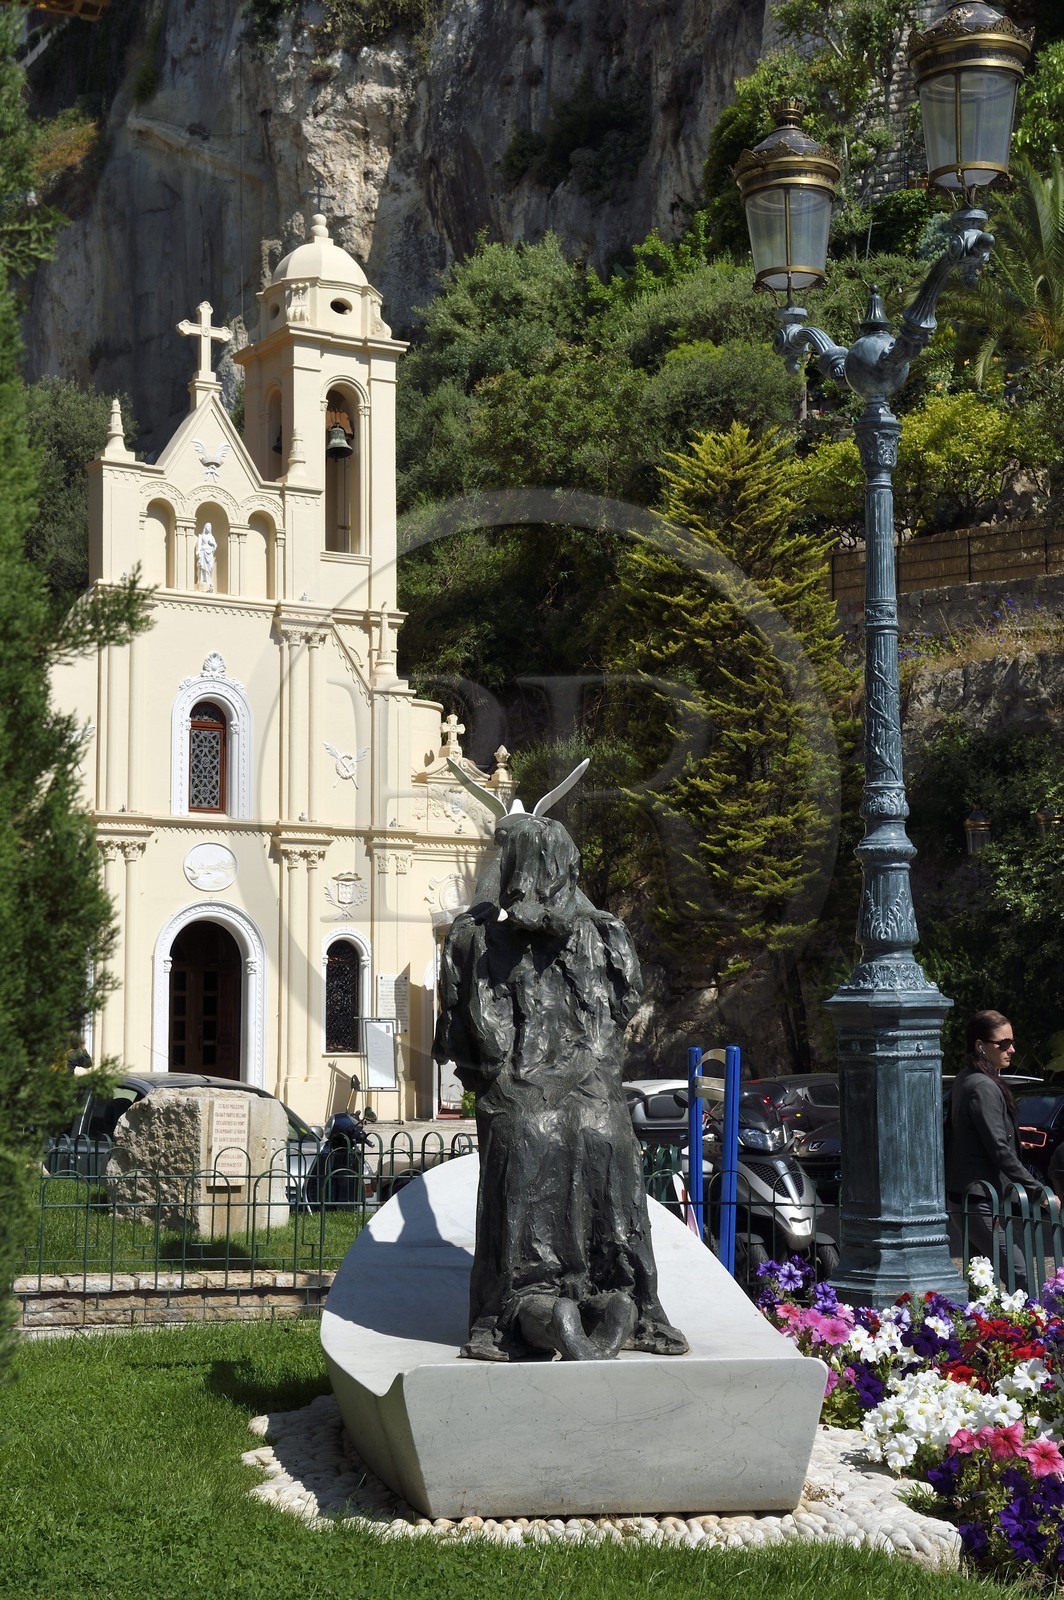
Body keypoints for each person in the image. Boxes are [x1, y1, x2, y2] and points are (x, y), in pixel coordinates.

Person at [434, 808, 688, 1363]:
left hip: (523, 1116)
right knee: (609, 1221)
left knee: (519, 1265)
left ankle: (537, 1316)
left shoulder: (473, 941)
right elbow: (622, 1012)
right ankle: (621, 1301)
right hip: (602, 1118)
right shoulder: (607, 934)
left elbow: (471, 1046)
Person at [946, 1010, 1047, 1293]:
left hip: (972, 1197)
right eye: (1003, 1043)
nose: (1011, 1049)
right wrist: (1037, 1189)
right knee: (1021, 1277)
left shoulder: (968, 1078)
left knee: (982, 1284)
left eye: (1012, 1042)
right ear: (981, 1045)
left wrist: (1015, 1138)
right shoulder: (982, 1085)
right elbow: (998, 1150)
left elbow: (977, 1135)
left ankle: (993, 1334)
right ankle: (1041, 1334)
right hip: (979, 1200)